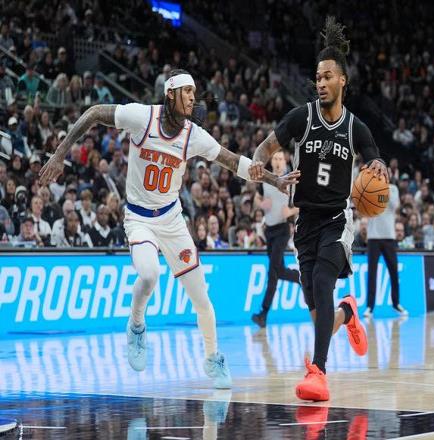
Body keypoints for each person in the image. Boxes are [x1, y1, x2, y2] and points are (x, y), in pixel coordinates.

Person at [39, 68, 298, 388]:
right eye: (187, 92)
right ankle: (136, 325)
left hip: (172, 220)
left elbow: (234, 162)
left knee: (201, 298)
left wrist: (275, 180)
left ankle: (213, 357)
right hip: (139, 218)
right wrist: (59, 154)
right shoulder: (142, 117)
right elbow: (94, 113)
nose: (192, 98)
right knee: (149, 275)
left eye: (194, 93)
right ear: (170, 94)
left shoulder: (193, 135)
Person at [249, 17, 388, 401]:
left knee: (324, 283)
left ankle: (319, 372)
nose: (321, 83)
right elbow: (263, 150)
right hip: (305, 223)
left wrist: (380, 166)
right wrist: (267, 173)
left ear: (343, 80)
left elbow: (376, 160)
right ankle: (348, 313)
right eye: (317, 77)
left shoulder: (355, 128)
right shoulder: (301, 117)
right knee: (319, 316)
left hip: (337, 220)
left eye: (328, 76)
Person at [252, 150, 300, 327]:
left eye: (281, 159)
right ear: (271, 162)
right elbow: (256, 199)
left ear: (285, 162)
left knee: (272, 272)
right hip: (269, 231)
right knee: (279, 270)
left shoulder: (291, 180)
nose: (278, 162)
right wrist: (261, 204)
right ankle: (300, 277)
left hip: (282, 229)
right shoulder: (265, 179)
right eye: (275, 159)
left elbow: (304, 203)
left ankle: (263, 314)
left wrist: (291, 211)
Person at [365, 183, 407, 318]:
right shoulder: (369, 186)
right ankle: (370, 307)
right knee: (372, 273)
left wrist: (382, 191)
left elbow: (394, 205)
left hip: (389, 237)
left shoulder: (393, 188)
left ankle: (396, 303)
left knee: (394, 271)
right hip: (373, 237)